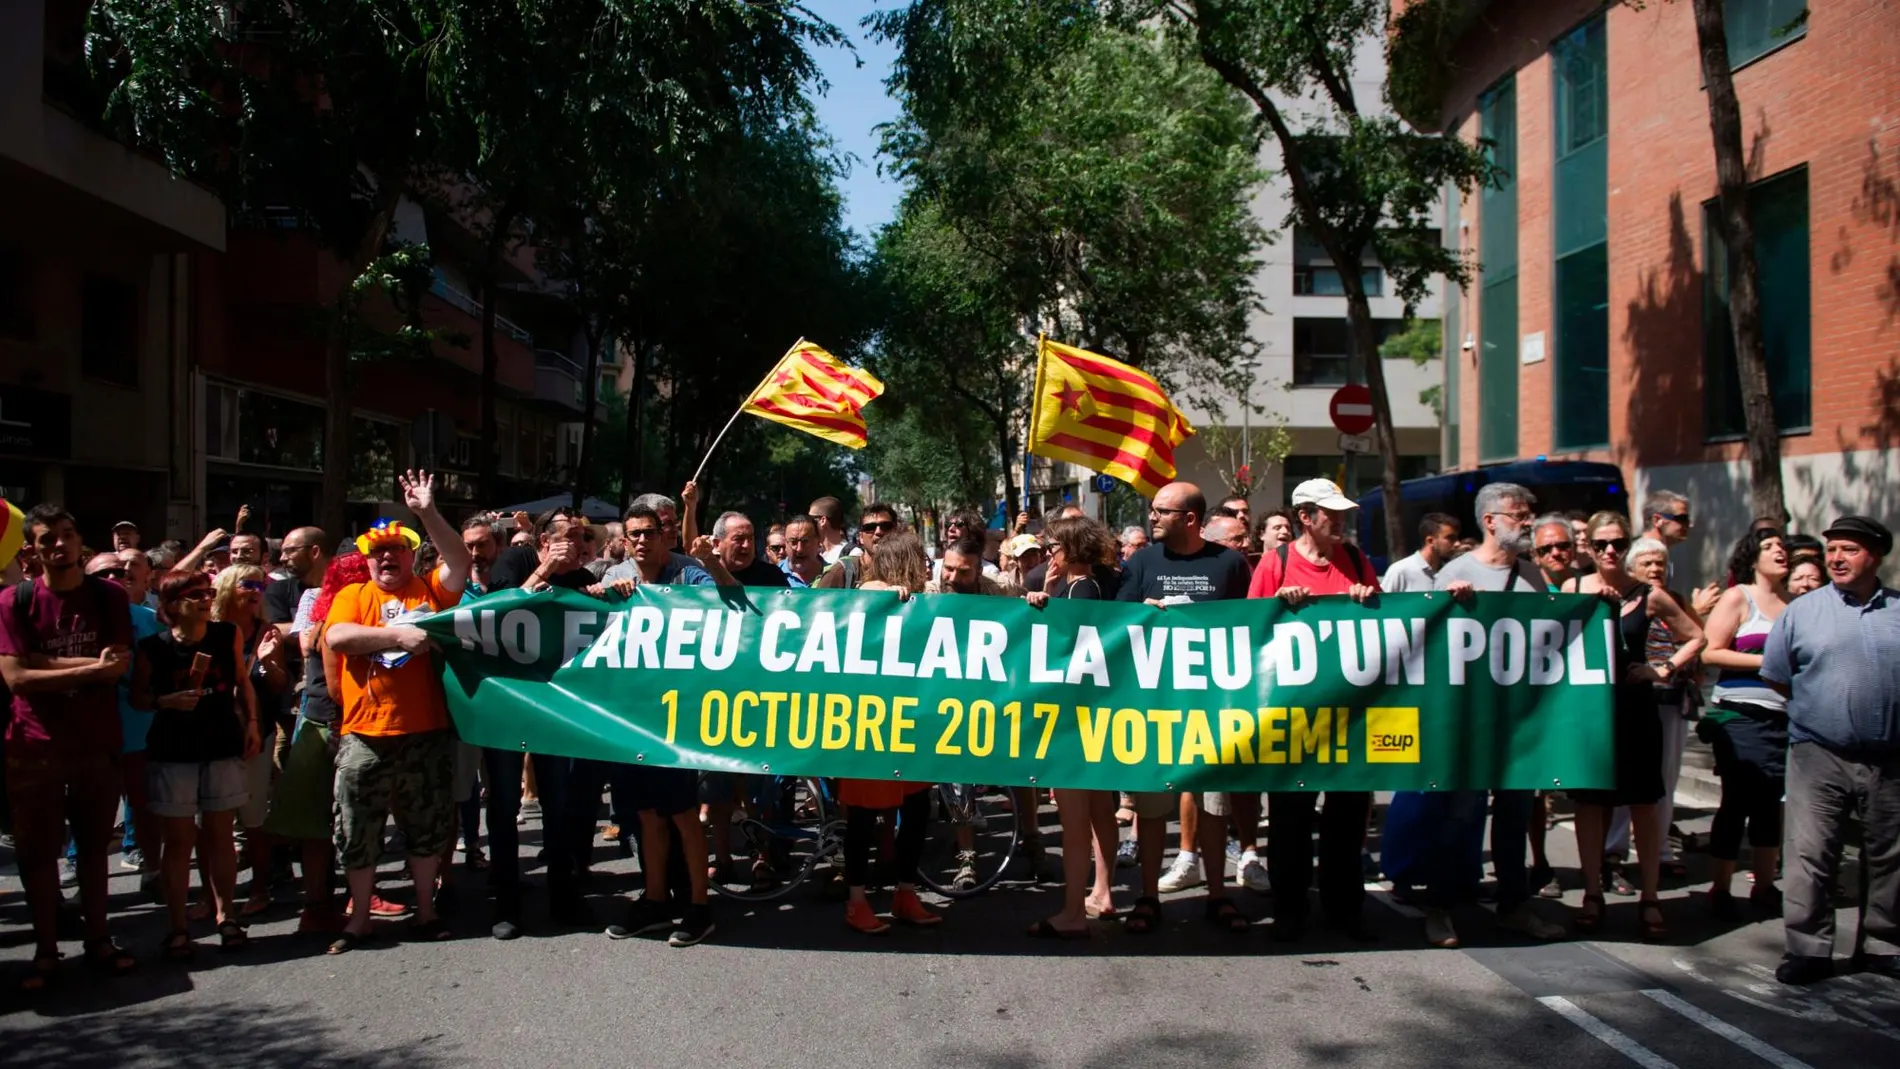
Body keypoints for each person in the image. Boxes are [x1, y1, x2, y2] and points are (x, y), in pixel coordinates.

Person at [321, 472, 470, 954]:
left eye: (397, 550)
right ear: (365, 559)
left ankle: (425, 911)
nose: (387, 558)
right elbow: (338, 637)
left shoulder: (430, 591)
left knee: (427, 828)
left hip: (425, 732)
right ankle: (360, 919)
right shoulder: (353, 596)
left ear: (411, 554)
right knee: (356, 831)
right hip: (364, 736)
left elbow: (460, 561)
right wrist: (396, 637)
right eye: (377, 552)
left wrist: (427, 512)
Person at [0, 504, 138, 990]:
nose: (59, 546)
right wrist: (87, 670)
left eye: (67, 535)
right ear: (31, 552)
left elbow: (118, 666)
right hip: (33, 747)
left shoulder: (108, 598)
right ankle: (44, 950)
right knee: (39, 855)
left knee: (95, 849)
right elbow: (16, 679)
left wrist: (45, 662)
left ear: (81, 542)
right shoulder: (13, 602)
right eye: (46, 540)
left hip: (96, 744)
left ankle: (99, 940)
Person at [1421, 484, 1566, 947]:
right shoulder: (1456, 573)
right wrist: (1449, 605)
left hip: (1517, 726)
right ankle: (1439, 908)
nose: (1527, 523)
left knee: (1514, 817)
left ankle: (1514, 906)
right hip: (1468, 725)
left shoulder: (1532, 576)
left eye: (1529, 514)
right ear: (1490, 521)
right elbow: (1428, 645)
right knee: (1459, 816)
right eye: (1519, 515)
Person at [1761, 515, 1900, 985]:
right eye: (1832, 549)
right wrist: (1824, 712)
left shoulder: (1899, 610)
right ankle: (1808, 950)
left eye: (1849, 550)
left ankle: (1882, 946)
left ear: (1875, 556)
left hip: (1889, 755)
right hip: (1818, 751)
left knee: (1889, 855)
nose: (1836, 558)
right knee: (1811, 853)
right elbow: (1778, 675)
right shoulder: (1802, 610)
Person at [1118, 481, 1254, 937]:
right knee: (1152, 808)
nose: (1151, 516)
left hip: (1212, 709)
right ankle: (1147, 897)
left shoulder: (1231, 565)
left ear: (1190, 519)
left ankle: (1218, 896)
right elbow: (1117, 624)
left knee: (1215, 808)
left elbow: (1251, 631)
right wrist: (1143, 612)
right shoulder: (1140, 563)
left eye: (1161, 511)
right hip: (1155, 708)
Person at [1247, 479, 1379, 942]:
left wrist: (1368, 602)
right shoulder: (1275, 562)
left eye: (1343, 513)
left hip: (1349, 715)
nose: (1340, 521)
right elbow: (1249, 632)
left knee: (1346, 821)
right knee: (1290, 821)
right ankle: (1291, 913)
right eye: (1330, 513)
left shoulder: (1358, 561)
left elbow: (1383, 628)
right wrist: (1278, 607)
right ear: (1306, 516)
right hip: (1293, 717)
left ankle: (1346, 913)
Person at [1562, 514, 1705, 941]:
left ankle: (1650, 897)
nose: (1609, 551)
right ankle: (1592, 893)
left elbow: (1696, 636)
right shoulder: (1571, 589)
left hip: (1636, 710)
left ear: (1628, 545)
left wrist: (1661, 669)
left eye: (1618, 543)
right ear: (1588, 546)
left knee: (1643, 803)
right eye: (1601, 543)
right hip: (1588, 711)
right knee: (1590, 804)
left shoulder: (1649, 595)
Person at [600, 504, 718, 947]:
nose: (643, 541)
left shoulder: (689, 574)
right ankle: (653, 900)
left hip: (676, 715)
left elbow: (727, 601)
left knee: (683, 814)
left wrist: (710, 561)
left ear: (665, 535)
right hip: (631, 716)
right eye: (634, 535)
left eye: (650, 532)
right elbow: (586, 611)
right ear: (626, 540)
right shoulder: (616, 578)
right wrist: (602, 593)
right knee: (646, 815)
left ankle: (699, 907)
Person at [133, 569, 260, 958]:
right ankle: (178, 927)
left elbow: (242, 680)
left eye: (207, 592)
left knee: (221, 833)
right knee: (179, 841)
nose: (206, 599)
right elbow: (137, 697)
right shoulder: (153, 648)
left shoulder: (226, 635)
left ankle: (227, 916)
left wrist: (252, 722)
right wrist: (165, 702)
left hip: (221, 743)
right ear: (171, 605)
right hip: (173, 751)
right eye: (194, 595)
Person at [835, 530, 941, 934]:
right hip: (868, 727)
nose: (928, 566)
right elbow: (858, 605)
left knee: (916, 812)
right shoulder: (872, 593)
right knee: (862, 818)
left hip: (912, 724)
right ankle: (857, 902)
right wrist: (882, 594)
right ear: (904, 562)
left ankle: (904, 892)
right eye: (921, 559)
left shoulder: (919, 600)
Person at [1023, 518, 1124, 937]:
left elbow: (1064, 648)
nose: (1050, 554)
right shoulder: (1099, 585)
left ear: (1072, 550)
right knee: (1101, 811)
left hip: (1074, 721)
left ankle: (1071, 912)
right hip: (1097, 714)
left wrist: (1046, 599)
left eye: (1054, 548)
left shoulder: (1080, 590)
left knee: (1075, 822)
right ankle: (1102, 893)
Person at [265, 552, 372, 935]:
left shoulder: (329, 616)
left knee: (329, 821)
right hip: (332, 725)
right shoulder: (336, 621)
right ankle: (321, 905)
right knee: (332, 820)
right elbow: (336, 689)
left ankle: (328, 902)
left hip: (321, 721)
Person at [1698, 529, 1791, 922]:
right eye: (1769, 547)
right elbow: (1710, 652)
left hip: (1785, 717)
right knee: (1738, 799)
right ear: (1753, 559)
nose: (1779, 552)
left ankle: (1765, 886)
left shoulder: (1797, 605)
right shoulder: (1740, 597)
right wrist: (1766, 663)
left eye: (1782, 546)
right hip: (1739, 716)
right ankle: (1720, 887)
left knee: (1772, 802)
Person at [212, 563, 287, 918]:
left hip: (258, 736)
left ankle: (260, 888)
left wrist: (270, 664)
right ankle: (210, 896)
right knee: (212, 822)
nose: (256, 591)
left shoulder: (266, 632)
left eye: (261, 584)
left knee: (253, 818)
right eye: (248, 584)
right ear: (227, 588)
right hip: (215, 735)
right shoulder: (210, 631)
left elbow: (278, 686)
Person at [84, 552, 164, 884]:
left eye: (121, 571)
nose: (117, 576)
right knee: (91, 816)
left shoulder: (148, 619)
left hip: (140, 734)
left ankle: (153, 870)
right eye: (105, 572)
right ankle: (89, 884)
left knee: (144, 808)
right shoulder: (75, 622)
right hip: (89, 738)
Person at [1640, 489, 1720, 617]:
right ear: (1657, 520)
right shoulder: (1640, 556)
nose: (1689, 525)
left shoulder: (1661, 555)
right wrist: (1696, 611)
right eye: (1682, 518)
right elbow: (1649, 614)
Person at [814, 504, 899, 589]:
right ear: (861, 537)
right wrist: (859, 593)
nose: (878, 532)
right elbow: (815, 601)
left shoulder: (907, 570)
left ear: (896, 532)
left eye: (886, 526)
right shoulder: (841, 572)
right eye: (870, 527)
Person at [1382, 513, 1460, 593]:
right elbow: (1385, 603)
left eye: (1457, 538)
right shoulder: (1400, 571)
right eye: (1451, 538)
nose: (1458, 544)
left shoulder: (1452, 571)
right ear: (1430, 541)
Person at [1530, 514, 1580, 591]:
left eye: (1562, 546)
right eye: (1545, 549)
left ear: (1574, 548)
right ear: (1535, 555)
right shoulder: (1528, 588)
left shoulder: (1589, 585)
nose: (1555, 553)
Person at [779, 515, 827, 588]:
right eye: (793, 542)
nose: (799, 549)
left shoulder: (834, 574)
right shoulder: (773, 576)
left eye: (805, 541)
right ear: (785, 543)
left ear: (818, 541)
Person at [809, 495, 851, 564]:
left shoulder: (852, 554)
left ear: (823, 520)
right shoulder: (815, 553)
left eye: (811, 519)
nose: (808, 523)